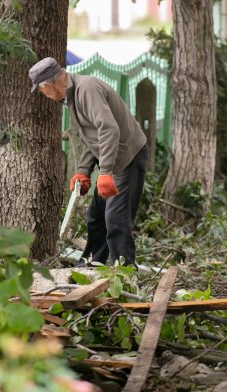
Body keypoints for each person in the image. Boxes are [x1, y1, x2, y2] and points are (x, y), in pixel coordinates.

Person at [28, 57, 148, 267]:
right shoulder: (72, 96)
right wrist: (84, 171)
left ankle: (125, 271)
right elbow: (92, 137)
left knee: (115, 219)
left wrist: (105, 172)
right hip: (112, 158)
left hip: (127, 156)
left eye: (40, 90)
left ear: (47, 85)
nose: (42, 94)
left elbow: (109, 129)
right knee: (96, 216)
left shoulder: (87, 90)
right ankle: (93, 263)